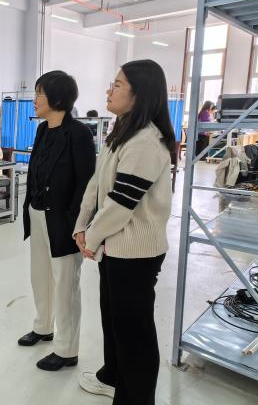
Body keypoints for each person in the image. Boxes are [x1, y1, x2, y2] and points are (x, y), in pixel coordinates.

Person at [73, 59, 176, 404]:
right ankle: (113, 376)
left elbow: (121, 203)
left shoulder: (146, 142)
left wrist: (91, 237)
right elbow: (96, 184)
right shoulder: (120, 133)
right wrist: (82, 226)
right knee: (114, 319)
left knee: (135, 334)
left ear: (139, 93)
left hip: (136, 252)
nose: (109, 90)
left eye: (117, 85)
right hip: (114, 247)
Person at [19, 70, 96, 372]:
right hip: (37, 212)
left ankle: (66, 350)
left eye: (40, 93)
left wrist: (77, 222)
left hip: (63, 220)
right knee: (40, 275)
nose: (35, 99)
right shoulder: (42, 130)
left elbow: (86, 182)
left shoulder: (79, 133)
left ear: (58, 98)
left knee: (65, 283)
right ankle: (43, 326)